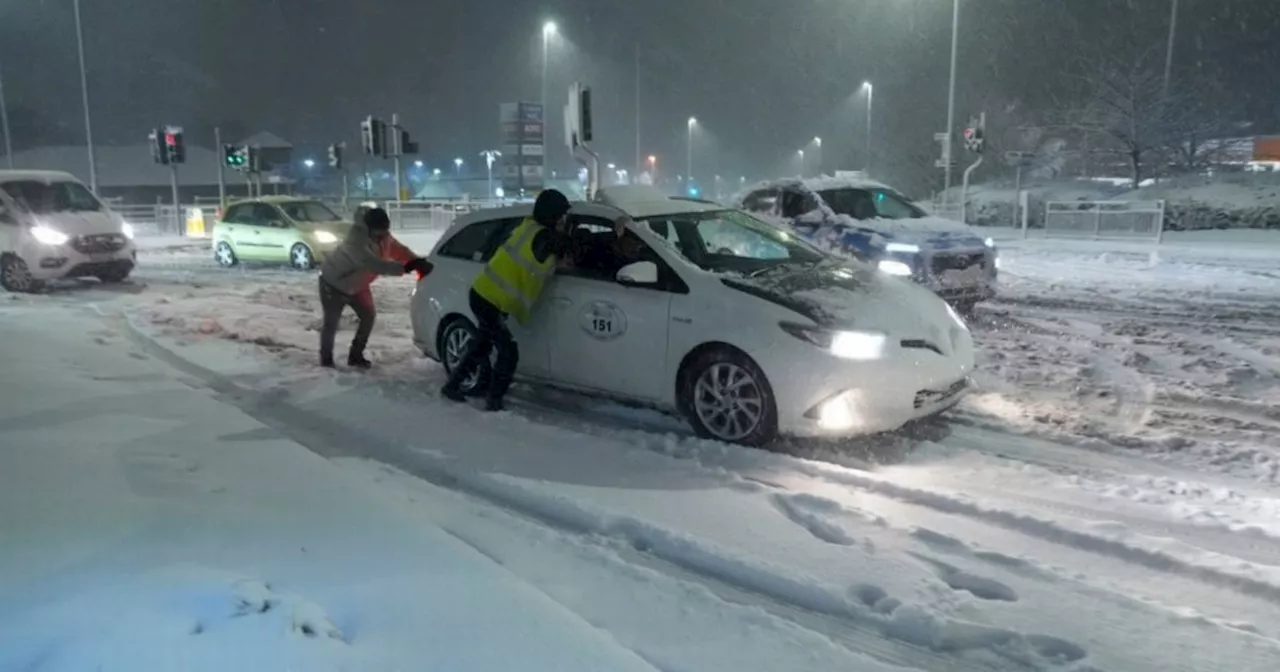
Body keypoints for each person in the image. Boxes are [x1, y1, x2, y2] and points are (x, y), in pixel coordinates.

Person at [441, 189, 575, 411]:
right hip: (489, 300)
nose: (562, 220)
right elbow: (570, 245)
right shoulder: (544, 237)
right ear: (552, 215)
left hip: (485, 294)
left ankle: (453, 386)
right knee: (508, 351)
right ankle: (494, 401)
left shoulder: (531, 227)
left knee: (483, 343)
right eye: (561, 215)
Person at [317, 207, 432, 369]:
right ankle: (326, 360)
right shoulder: (355, 241)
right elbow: (374, 265)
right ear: (368, 228)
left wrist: (416, 261)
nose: (382, 238)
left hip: (358, 285)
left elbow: (399, 250)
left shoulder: (384, 237)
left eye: (385, 233)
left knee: (368, 316)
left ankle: (356, 355)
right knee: (331, 323)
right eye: (378, 234)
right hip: (333, 284)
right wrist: (406, 268)